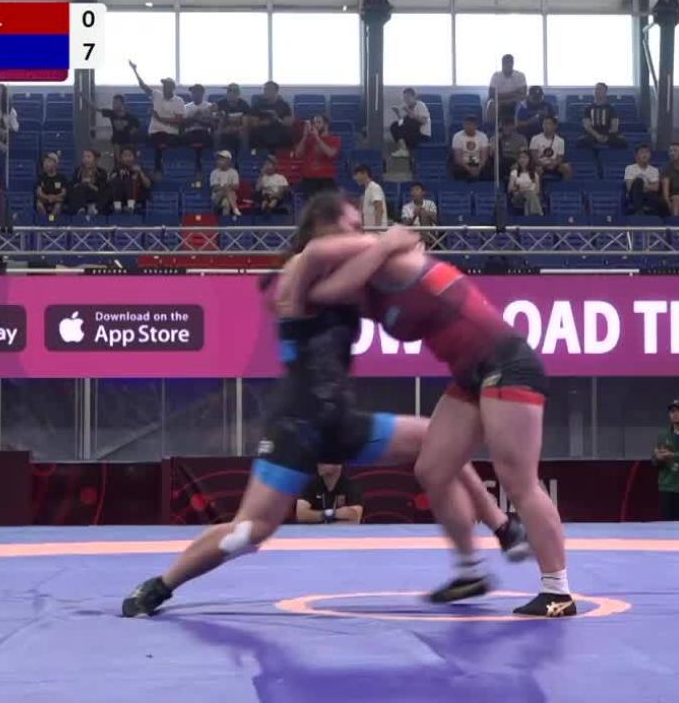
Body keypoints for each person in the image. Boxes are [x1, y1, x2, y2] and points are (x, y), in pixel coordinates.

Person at [121, 194, 528, 617]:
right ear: (326, 227)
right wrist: (387, 243)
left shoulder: (347, 281)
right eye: (353, 227)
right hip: (296, 426)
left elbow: (392, 281)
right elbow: (319, 252)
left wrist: (405, 258)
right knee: (249, 532)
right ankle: (160, 586)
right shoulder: (297, 273)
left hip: (338, 420)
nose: (361, 234)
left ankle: (486, 549)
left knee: (436, 441)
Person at [303, 220, 573, 615]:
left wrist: (378, 247)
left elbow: (328, 288)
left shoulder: (392, 262)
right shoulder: (364, 290)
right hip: (470, 376)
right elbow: (323, 297)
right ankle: (470, 571)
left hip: (507, 364)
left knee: (519, 481)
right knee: (433, 468)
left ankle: (558, 592)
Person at [295, 464, 363, 524]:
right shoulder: (312, 485)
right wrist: (331, 514)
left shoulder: (351, 486)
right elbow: (301, 515)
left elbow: (355, 519)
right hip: (315, 533)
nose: (319, 464)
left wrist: (316, 517)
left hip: (342, 534)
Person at [293, 114, 340, 197]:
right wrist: (305, 136)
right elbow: (298, 154)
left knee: (329, 200)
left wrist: (317, 138)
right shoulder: (309, 139)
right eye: (314, 123)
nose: (315, 125)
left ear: (326, 124)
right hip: (309, 179)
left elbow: (331, 154)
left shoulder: (334, 139)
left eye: (318, 122)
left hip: (326, 178)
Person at [508, 150, 543, 216]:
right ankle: (537, 214)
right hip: (518, 197)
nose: (522, 160)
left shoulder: (535, 173)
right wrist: (520, 188)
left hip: (531, 196)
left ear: (529, 159)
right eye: (520, 158)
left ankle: (529, 216)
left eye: (524, 158)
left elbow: (537, 190)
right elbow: (509, 189)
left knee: (529, 197)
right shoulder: (514, 173)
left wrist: (528, 191)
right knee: (529, 194)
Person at [36, 152, 68, 222]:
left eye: (48, 162)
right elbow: (39, 192)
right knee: (39, 204)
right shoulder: (41, 177)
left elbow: (63, 192)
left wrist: (54, 197)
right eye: (45, 162)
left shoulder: (61, 177)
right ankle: (45, 220)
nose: (45, 164)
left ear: (55, 164)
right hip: (44, 199)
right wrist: (48, 197)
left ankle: (51, 220)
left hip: (57, 200)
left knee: (58, 206)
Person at [209, 150, 242, 217]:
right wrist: (225, 188)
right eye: (219, 159)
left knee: (226, 203)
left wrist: (227, 187)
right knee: (227, 190)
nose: (219, 161)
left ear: (228, 160)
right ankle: (235, 209)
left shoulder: (234, 172)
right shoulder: (214, 173)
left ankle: (225, 221)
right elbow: (214, 188)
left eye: (222, 159)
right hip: (217, 196)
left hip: (230, 197)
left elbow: (236, 186)